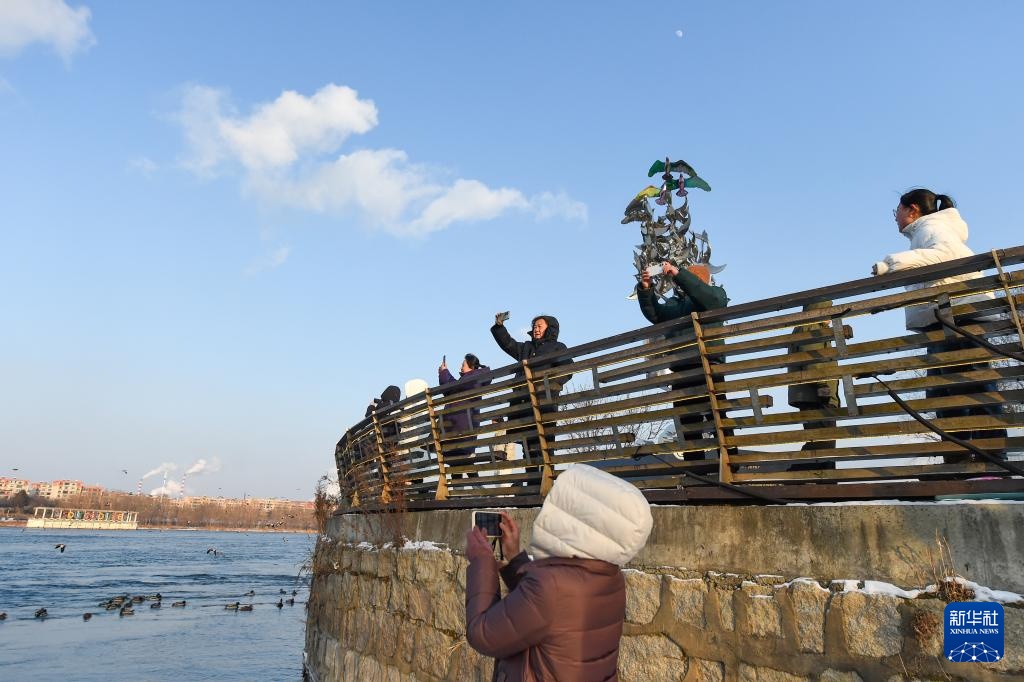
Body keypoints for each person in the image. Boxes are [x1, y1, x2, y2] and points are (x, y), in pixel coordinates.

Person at [465, 464, 653, 681]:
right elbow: (543, 613)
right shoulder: (610, 578)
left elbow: (483, 633)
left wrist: (481, 561)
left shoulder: (551, 586)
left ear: (574, 518)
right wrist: (515, 559)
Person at [871, 188, 1005, 458]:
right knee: (946, 394)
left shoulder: (933, 227)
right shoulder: (927, 230)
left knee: (971, 388)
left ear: (912, 210)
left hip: (958, 318)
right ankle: (960, 462)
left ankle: (991, 462)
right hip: (945, 318)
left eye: (896, 211)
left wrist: (892, 263)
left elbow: (945, 255)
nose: (895, 218)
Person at [636, 262, 730, 467]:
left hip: (708, 364)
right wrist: (646, 289)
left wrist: (680, 274)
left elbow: (709, 297)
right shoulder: (675, 303)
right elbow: (657, 315)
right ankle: (696, 469)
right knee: (687, 422)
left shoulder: (715, 295)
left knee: (717, 418)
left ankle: (730, 464)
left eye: (693, 277)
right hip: (681, 367)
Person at [490, 314, 569, 465]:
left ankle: (546, 484)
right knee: (527, 451)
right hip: (524, 406)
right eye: (534, 326)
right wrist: (499, 327)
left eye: (539, 326)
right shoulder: (526, 348)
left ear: (550, 329)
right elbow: (508, 344)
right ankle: (531, 485)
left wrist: (547, 386)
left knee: (544, 449)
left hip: (544, 405)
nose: (536, 329)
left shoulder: (558, 347)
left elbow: (567, 371)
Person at [438, 353, 492, 476]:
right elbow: (452, 387)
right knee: (459, 462)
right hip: (460, 431)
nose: (461, 367)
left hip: (460, 431)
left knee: (460, 461)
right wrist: (444, 372)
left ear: (470, 367)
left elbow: (450, 387)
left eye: (463, 365)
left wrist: (444, 372)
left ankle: (476, 490)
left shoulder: (472, 379)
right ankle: (472, 490)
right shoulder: (470, 380)